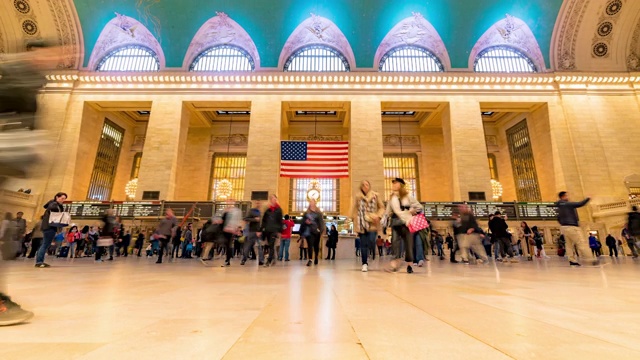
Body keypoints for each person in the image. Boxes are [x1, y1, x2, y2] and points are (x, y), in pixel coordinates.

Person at [386, 178, 422, 273]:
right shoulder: (391, 198)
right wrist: (387, 215)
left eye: (395, 183)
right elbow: (387, 211)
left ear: (401, 185)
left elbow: (419, 207)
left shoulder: (408, 197)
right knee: (395, 243)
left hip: (407, 223)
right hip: (395, 222)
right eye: (393, 183)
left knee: (408, 244)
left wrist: (411, 210)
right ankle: (396, 262)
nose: (393, 185)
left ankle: (409, 265)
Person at [352, 180, 385, 272]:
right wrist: (352, 219)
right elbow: (354, 208)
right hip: (361, 222)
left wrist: (378, 216)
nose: (365, 186)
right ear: (361, 187)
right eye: (363, 185)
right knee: (363, 244)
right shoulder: (358, 197)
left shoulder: (375, 195)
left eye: (367, 184)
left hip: (372, 222)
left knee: (371, 240)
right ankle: (364, 263)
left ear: (369, 186)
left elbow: (382, 207)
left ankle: (371, 253)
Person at [556, 191, 595, 267]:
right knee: (581, 243)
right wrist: (588, 198)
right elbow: (579, 204)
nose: (568, 197)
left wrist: (563, 224)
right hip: (572, 226)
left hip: (564, 227)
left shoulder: (559, 206)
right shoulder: (566, 204)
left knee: (569, 245)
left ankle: (572, 260)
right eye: (567, 196)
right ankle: (591, 259)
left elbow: (558, 218)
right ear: (563, 196)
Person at [35, 192, 67, 268]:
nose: (63, 200)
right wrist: (58, 205)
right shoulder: (53, 204)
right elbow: (52, 207)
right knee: (45, 244)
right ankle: (39, 262)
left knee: (45, 244)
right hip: (49, 227)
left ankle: (40, 261)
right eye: (62, 198)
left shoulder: (54, 204)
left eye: (64, 199)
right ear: (57, 197)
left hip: (49, 227)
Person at [299, 199, 325, 267]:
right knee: (310, 245)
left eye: (313, 202)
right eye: (310, 202)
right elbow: (302, 222)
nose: (311, 203)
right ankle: (310, 259)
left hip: (316, 232)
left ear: (315, 203)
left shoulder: (318, 213)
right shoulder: (306, 213)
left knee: (316, 246)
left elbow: (321, 222)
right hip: (309, 231)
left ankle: (316, 256)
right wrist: (305, 223)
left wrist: (321, 230)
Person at [261, 195, 283, 267]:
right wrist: (262, 229)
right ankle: (273, 259)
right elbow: (264, 220)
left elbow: (280, 221)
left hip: (274, 230)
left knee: (271, 244)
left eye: (274, 198)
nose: (273, 200)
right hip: (267, 230)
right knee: (270, 245)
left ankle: (269, 261)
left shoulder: (279, 210)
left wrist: (279, 231)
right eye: (272, 199)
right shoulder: (268, 210)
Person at [241, 201, 264, 266]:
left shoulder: (261, 213)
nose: (258, 204)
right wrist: (255, 219)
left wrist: (261, 231)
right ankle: (244, 259)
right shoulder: (251, 211)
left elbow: (263, 223)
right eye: (257, 203)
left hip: (259, 232)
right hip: (252, 231)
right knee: (247, 246)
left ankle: (261, 261)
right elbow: (245, 218)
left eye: (259, 203)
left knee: (259, 246)